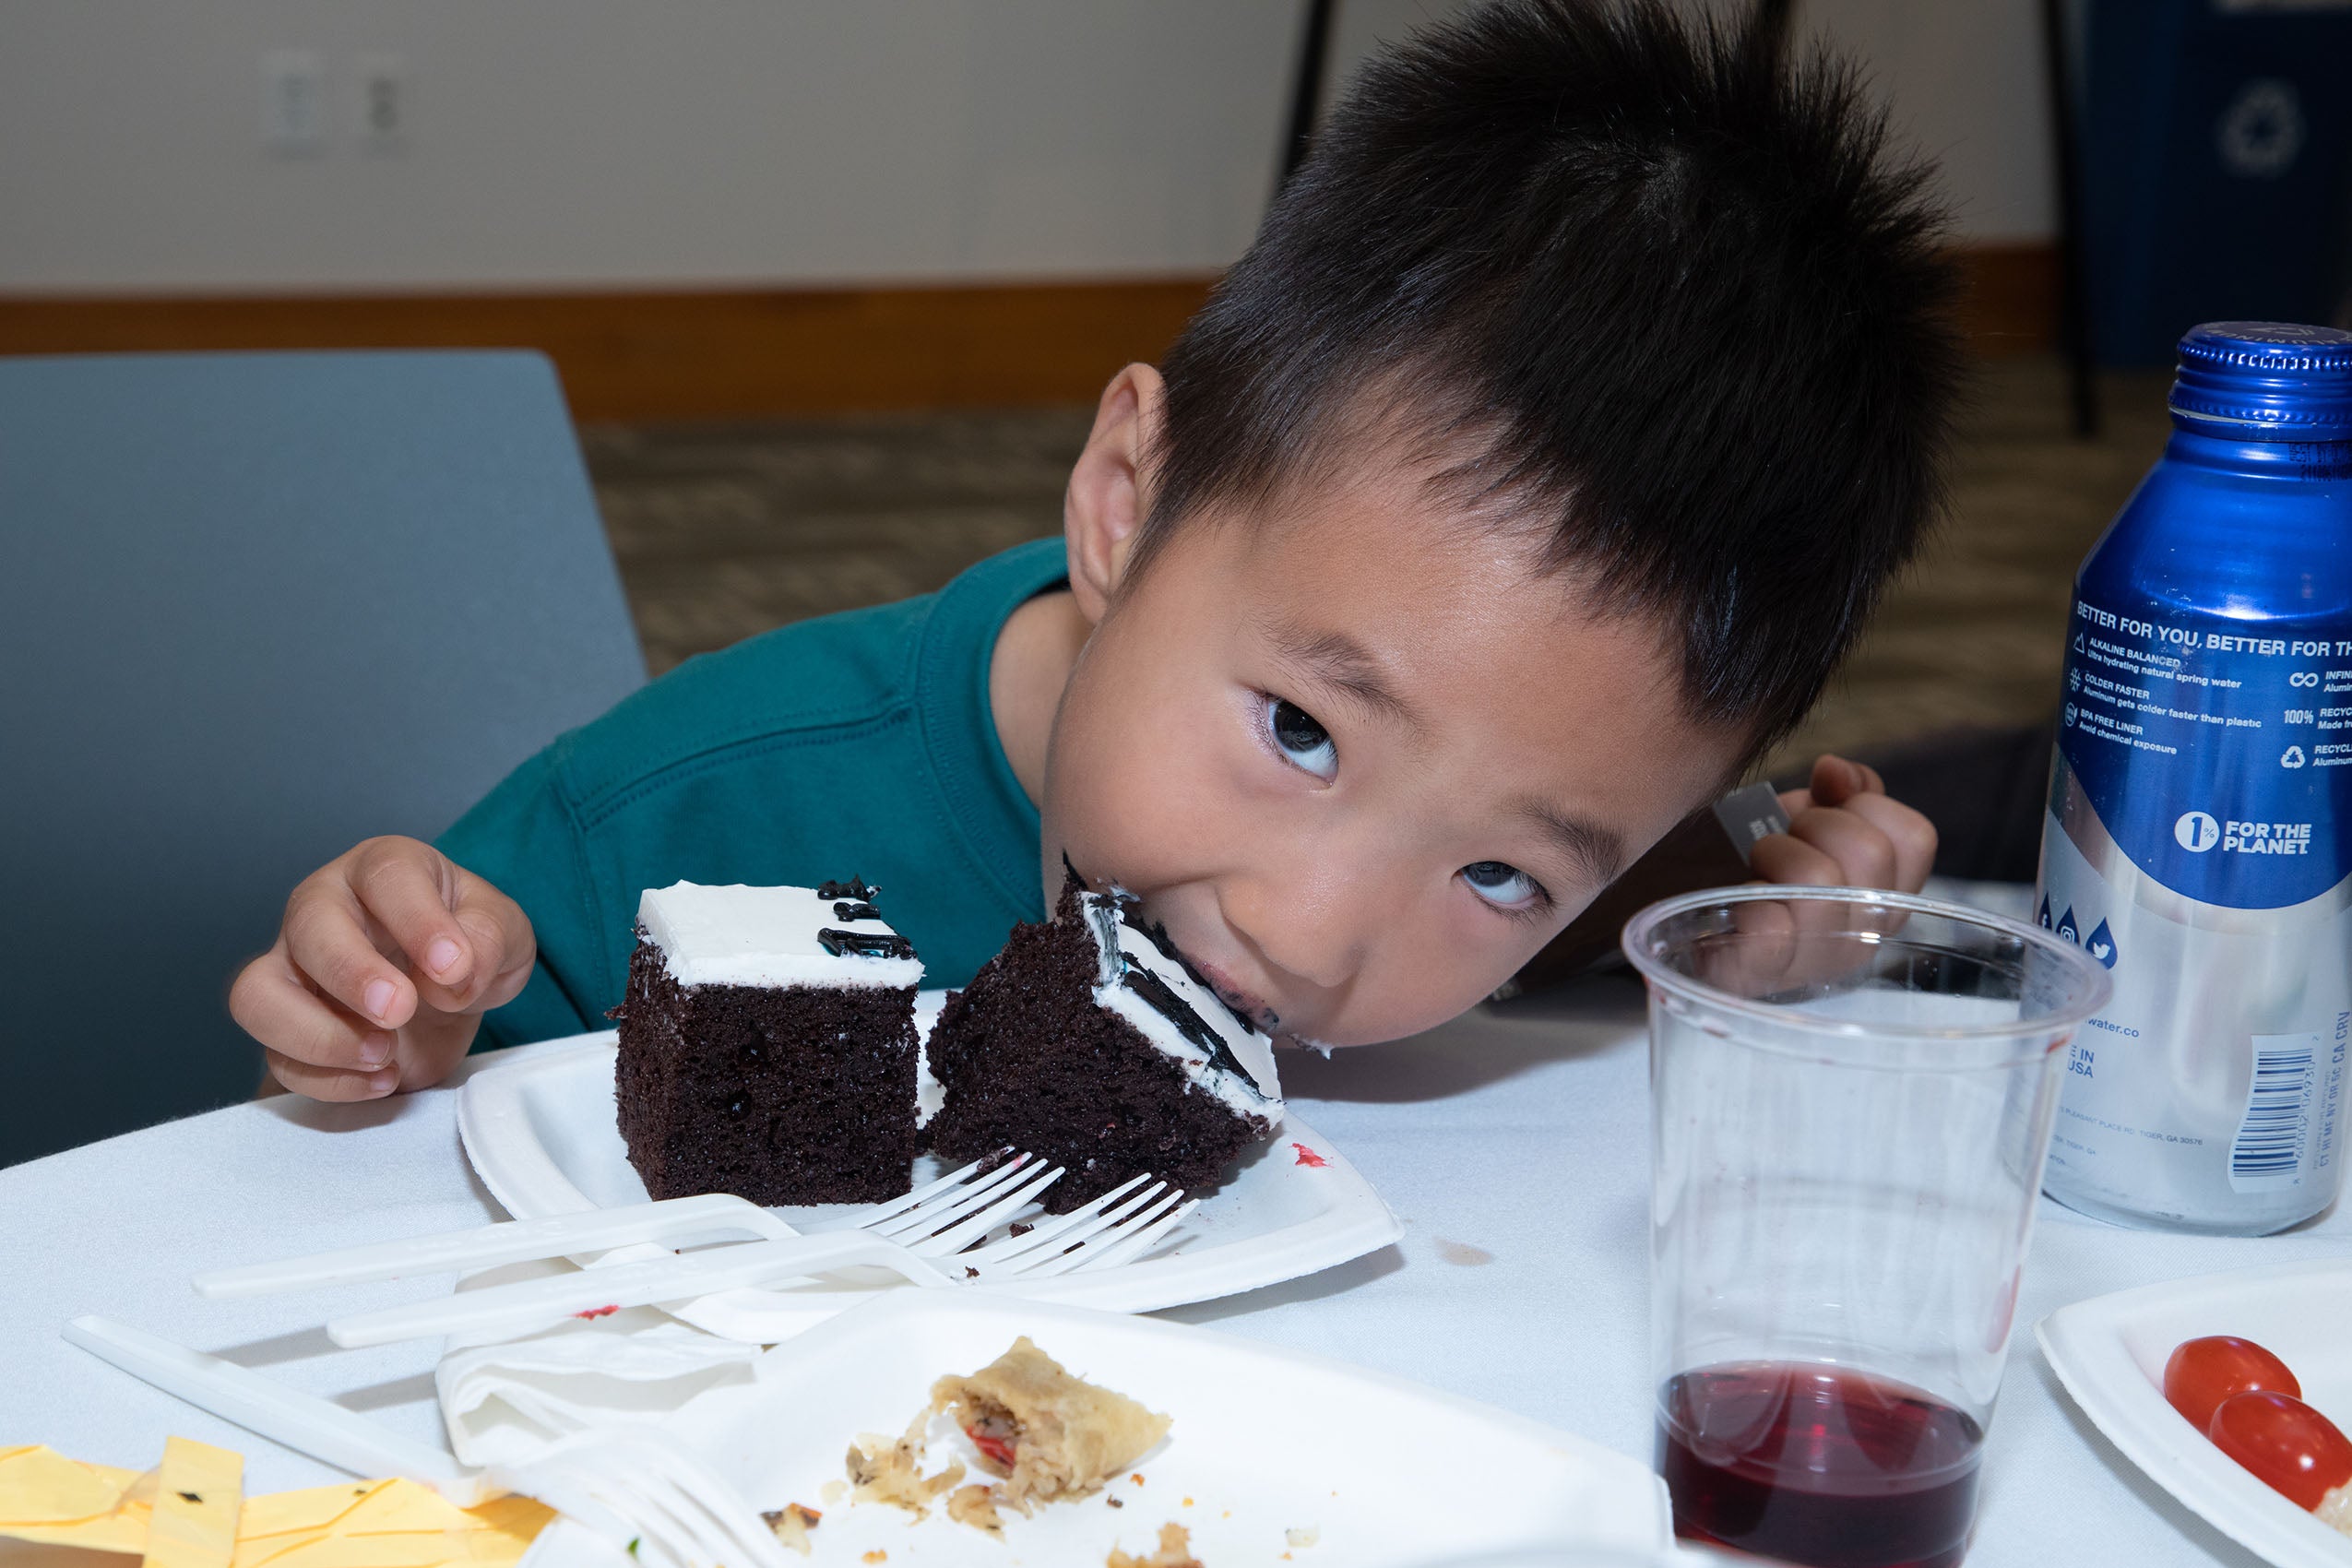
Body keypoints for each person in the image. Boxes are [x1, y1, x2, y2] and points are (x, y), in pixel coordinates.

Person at [234, 0, 1958, 1101]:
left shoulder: (1536, 845)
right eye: (1300, 732)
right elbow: (403, 1053)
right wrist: (395, 1026)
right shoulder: (685, 818)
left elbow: (1610, 900)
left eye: (1500, 876)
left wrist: (1733, 936)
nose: (1309, 938)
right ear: (1127, 497)